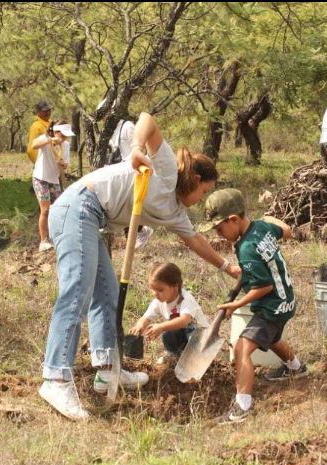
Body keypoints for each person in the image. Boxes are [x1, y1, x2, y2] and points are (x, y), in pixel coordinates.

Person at [38, 112, 240, 422]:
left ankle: (108, 371)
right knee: (77, 290)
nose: (200, 200)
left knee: (105, 296)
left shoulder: (175, 213)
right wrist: (135, 147)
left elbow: (196, 241)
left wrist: (228, 267)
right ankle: (55, 379)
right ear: (196, 180)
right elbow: (148, 119)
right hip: (76, 208)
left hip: (93, 220)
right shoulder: (167, 170)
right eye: (202, 193)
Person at [199, 188, 306, 425]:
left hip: (272, 304)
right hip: (285, 299)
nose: (217, 234)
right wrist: (268, 218)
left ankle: (242, 406)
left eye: (219, 228)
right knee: (272, 337)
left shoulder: (247, 247)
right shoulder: (261, 227)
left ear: (234, 220)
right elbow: (286, 230)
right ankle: (295, 367)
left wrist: (236, 304)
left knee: (242, 349)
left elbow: (264, 286)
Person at [97, 98, 153, 249]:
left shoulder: (127, 126)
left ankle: (136, 236)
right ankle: (138, 233)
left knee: (129, 206)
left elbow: (140, 146)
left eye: (105, 113)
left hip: (130, 172)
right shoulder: (107, 132)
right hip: (115, 174)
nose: (103, 118)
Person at [129, 263, 209, 365]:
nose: (155, 293)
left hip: (201, 338)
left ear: (175, 286)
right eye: (152, 289)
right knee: (168, 335)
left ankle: (196, 359)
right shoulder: (158, 301)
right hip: (183, 336)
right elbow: (146, 317)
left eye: (160, 290)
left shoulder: (186, 299)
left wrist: (161, 326)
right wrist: (140, 325)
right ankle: (174, 356)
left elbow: (184, 321)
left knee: (180, 331)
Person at [31, 122, 75, 252]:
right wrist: (50, 140)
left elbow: (65, 164)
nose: (65, 138)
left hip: (54, 179)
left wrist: (62, 163)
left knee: (59, 208)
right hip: (41, 178)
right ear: (56, 132)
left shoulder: (66, 145)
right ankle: (44, 241)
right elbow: (34, 145)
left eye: (67, 136)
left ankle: (59, 236)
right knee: (45, 209)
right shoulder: (45, 139)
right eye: (63, 135)